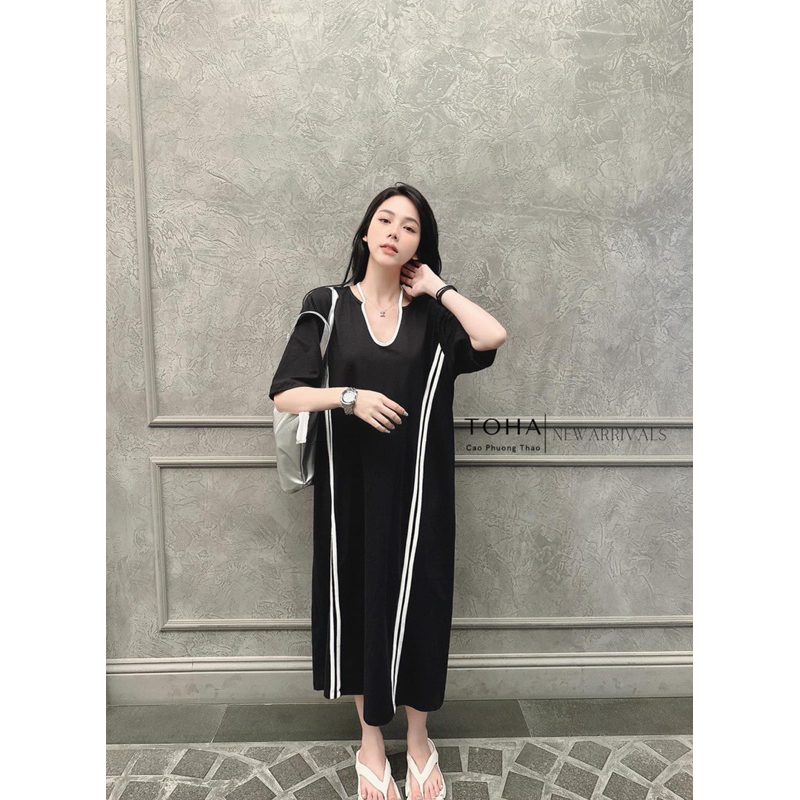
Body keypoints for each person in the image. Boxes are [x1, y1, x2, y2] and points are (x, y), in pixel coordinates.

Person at [269, 182, 507, 800]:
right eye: (385, 219)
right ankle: (371, 743)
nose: (394, 231)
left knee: (423, 606)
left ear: (419, 246)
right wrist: (350, 398)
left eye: (409, 226)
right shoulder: (326, 304)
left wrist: (438, 287)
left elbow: (491, 336)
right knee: (360, 606)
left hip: (423, 494)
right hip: (351, 497)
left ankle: (420, 741)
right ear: (366, 231)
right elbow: (287, 392)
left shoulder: (432, 316)